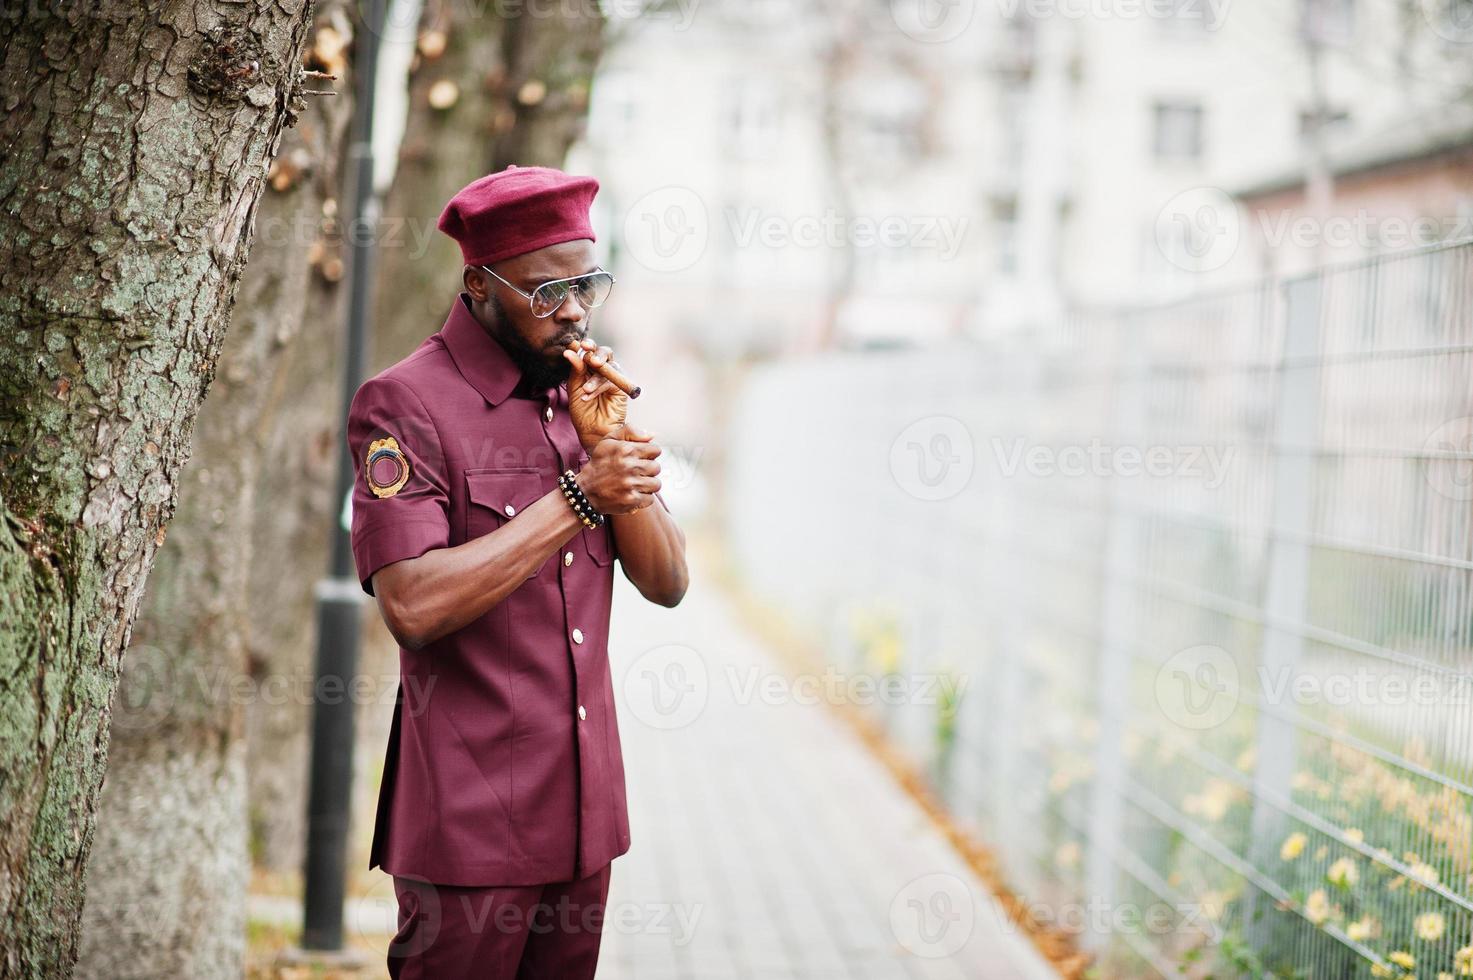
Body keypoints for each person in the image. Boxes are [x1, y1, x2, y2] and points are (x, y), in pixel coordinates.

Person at [345, 164, 689, 978]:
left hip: (583, 818)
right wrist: (578, 495)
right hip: (469, 827)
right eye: (545, 292)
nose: (571, 310)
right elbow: (414, 605)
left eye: (586, 285)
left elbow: (669, 583)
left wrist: (607, 446)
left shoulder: (580, 398)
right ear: (478, 285)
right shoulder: (404, 404)